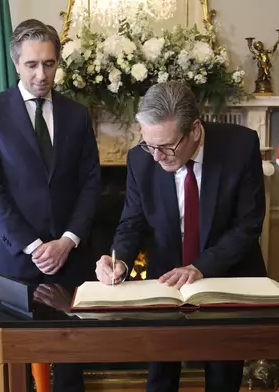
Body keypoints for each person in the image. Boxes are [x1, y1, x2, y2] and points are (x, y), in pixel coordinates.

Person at [95, 81, 267, 392]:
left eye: (167, 146)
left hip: (226, 275)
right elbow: (132, 222)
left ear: (195, 130)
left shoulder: (240, 146)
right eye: (150, 145)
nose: (157, 157)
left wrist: (200, 266)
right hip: (167, 280)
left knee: (223, 377)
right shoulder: (140, 158)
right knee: (160, 375)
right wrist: (118, 259)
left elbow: (248, 225)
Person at [0, 18, 100, 392]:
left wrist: (67, 240)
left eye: (49, 63)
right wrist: (34, 246)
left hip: (70, 258)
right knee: (16, 363)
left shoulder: (76, 114)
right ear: (16, 64)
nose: (41, 74)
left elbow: (91, 183)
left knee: (70, 361)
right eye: (32, 65)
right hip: (15, 260)